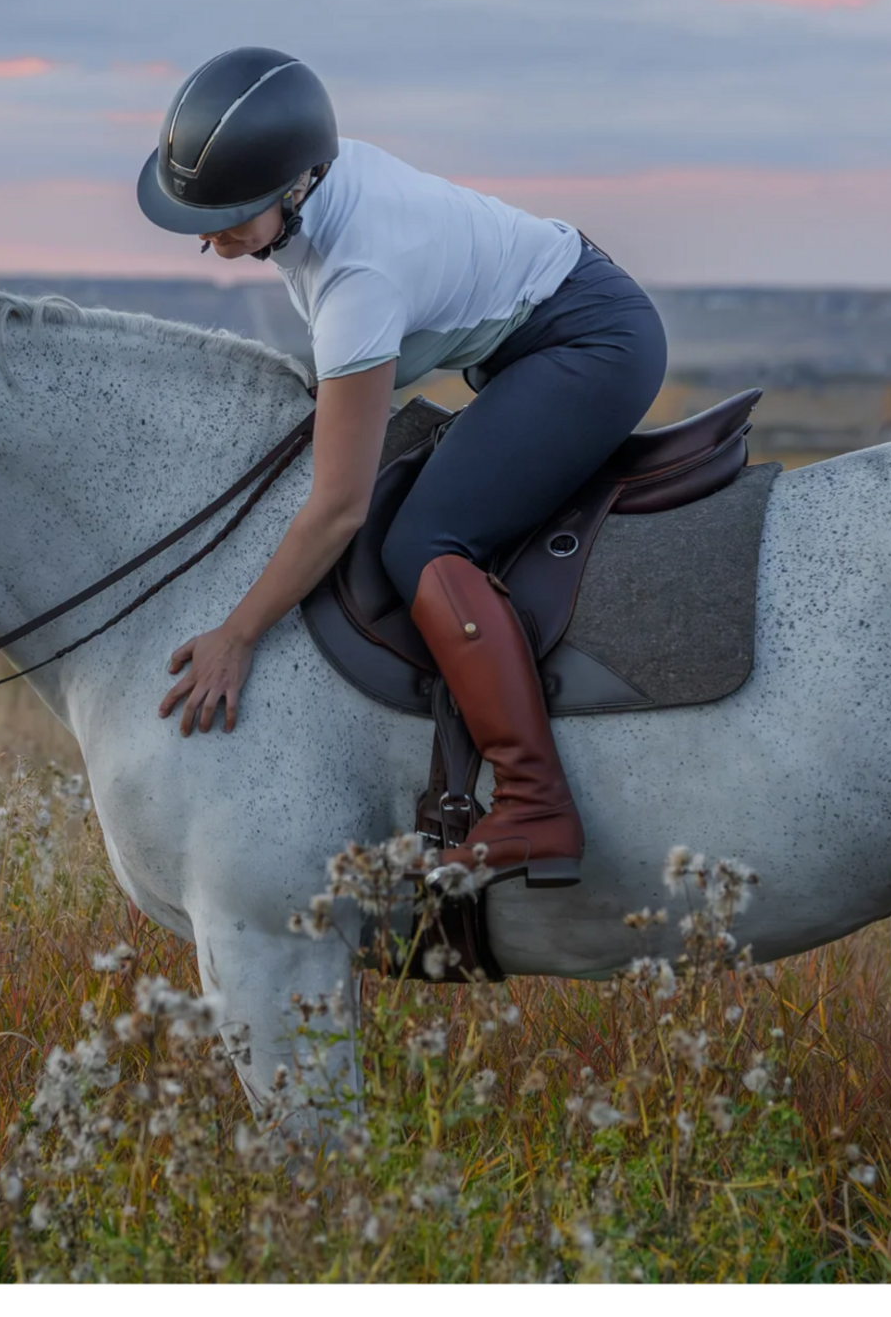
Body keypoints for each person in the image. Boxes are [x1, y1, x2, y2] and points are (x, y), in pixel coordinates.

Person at [136, 47, 667, 889]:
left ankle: (535, 805)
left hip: (591, 344)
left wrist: (238, 635)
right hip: (533, 331)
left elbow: (340, 508)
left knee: (422, 540)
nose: (210, 237)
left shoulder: (360, 274)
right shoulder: (317, 198)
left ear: (299, 185)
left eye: (230, 215)